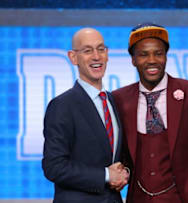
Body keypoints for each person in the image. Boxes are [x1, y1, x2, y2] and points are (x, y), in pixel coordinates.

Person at [112, 23, 188, 203]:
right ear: (133, 59)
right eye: (143, 54)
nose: (152, 60)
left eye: (158, 53)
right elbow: (122, 155)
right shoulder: (119, 99)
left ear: (166, 56)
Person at [42, 28, 129, 203]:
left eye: (101, 49)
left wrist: (124, 172)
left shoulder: (116, 101)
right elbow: (54, 166)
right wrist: (105, 175)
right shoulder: (62, 106)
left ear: (107, 54)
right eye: (87, 50)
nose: (96, 56)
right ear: (73, 57)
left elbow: (118, 156)